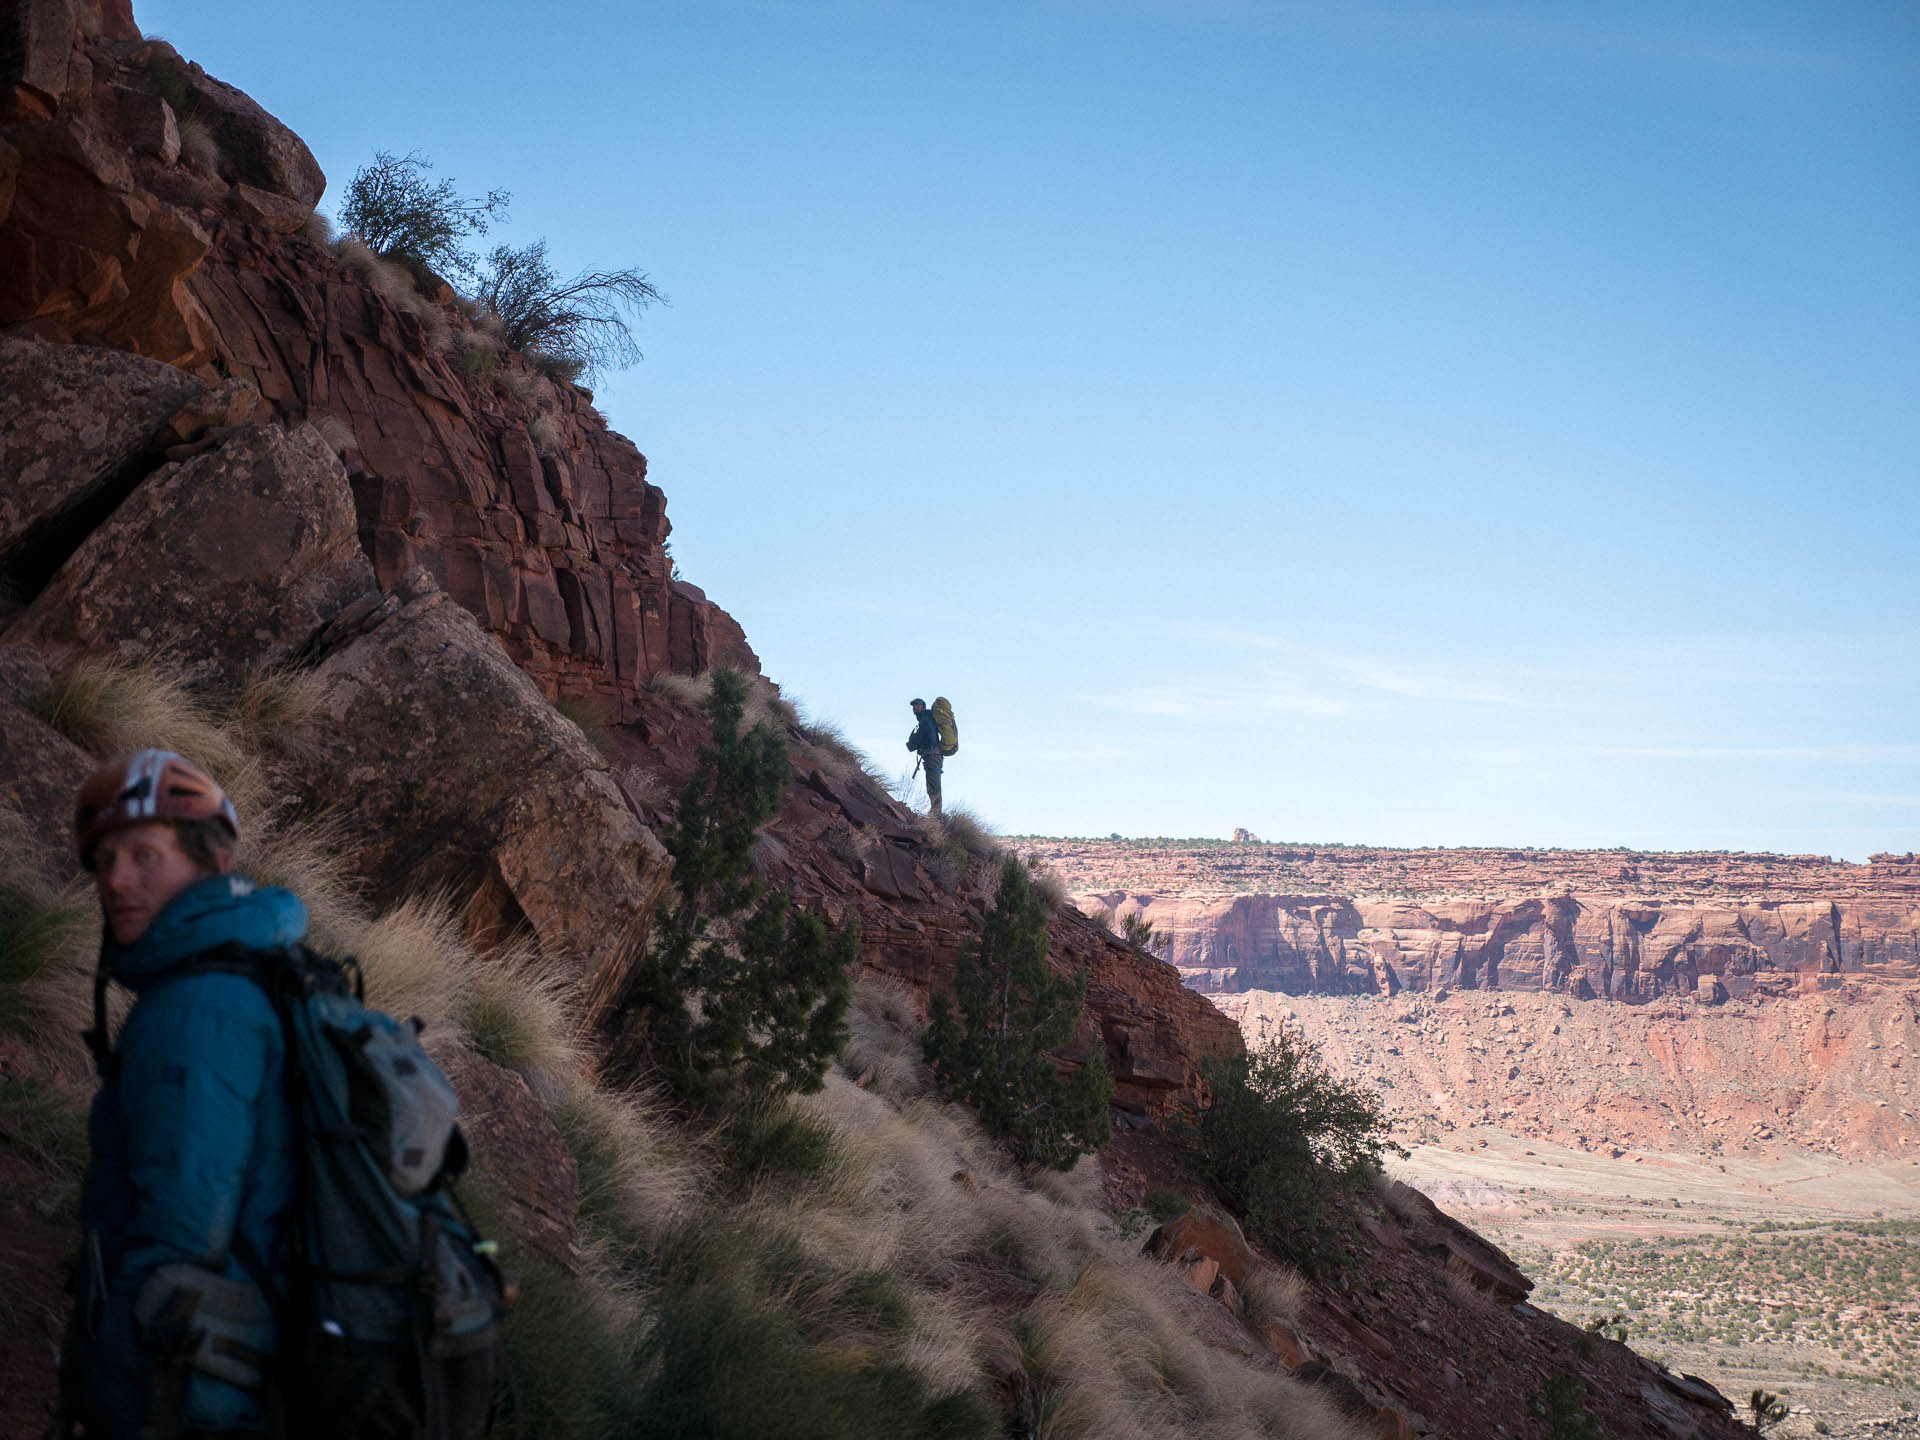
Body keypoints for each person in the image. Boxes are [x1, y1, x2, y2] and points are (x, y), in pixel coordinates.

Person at [57, 749, 305, 1440]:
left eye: (144, 855)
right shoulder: (243, 973)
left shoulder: (199, 1009)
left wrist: (98, 1400)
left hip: (189, 1391)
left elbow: (179, 1238)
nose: (117, 879)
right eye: (105, 860)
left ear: (212, 864)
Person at [905, 697, 943, 816]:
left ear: (923, 706)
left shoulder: (925, 720)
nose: (915, 708)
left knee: (933, 786)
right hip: (932, 757)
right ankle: (935, 813)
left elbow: (930, 739)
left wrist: (917, 743)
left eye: (918, 705)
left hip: (932, 757)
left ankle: (936, 815)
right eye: (914, 706)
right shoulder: (925, 719)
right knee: (932, 785)